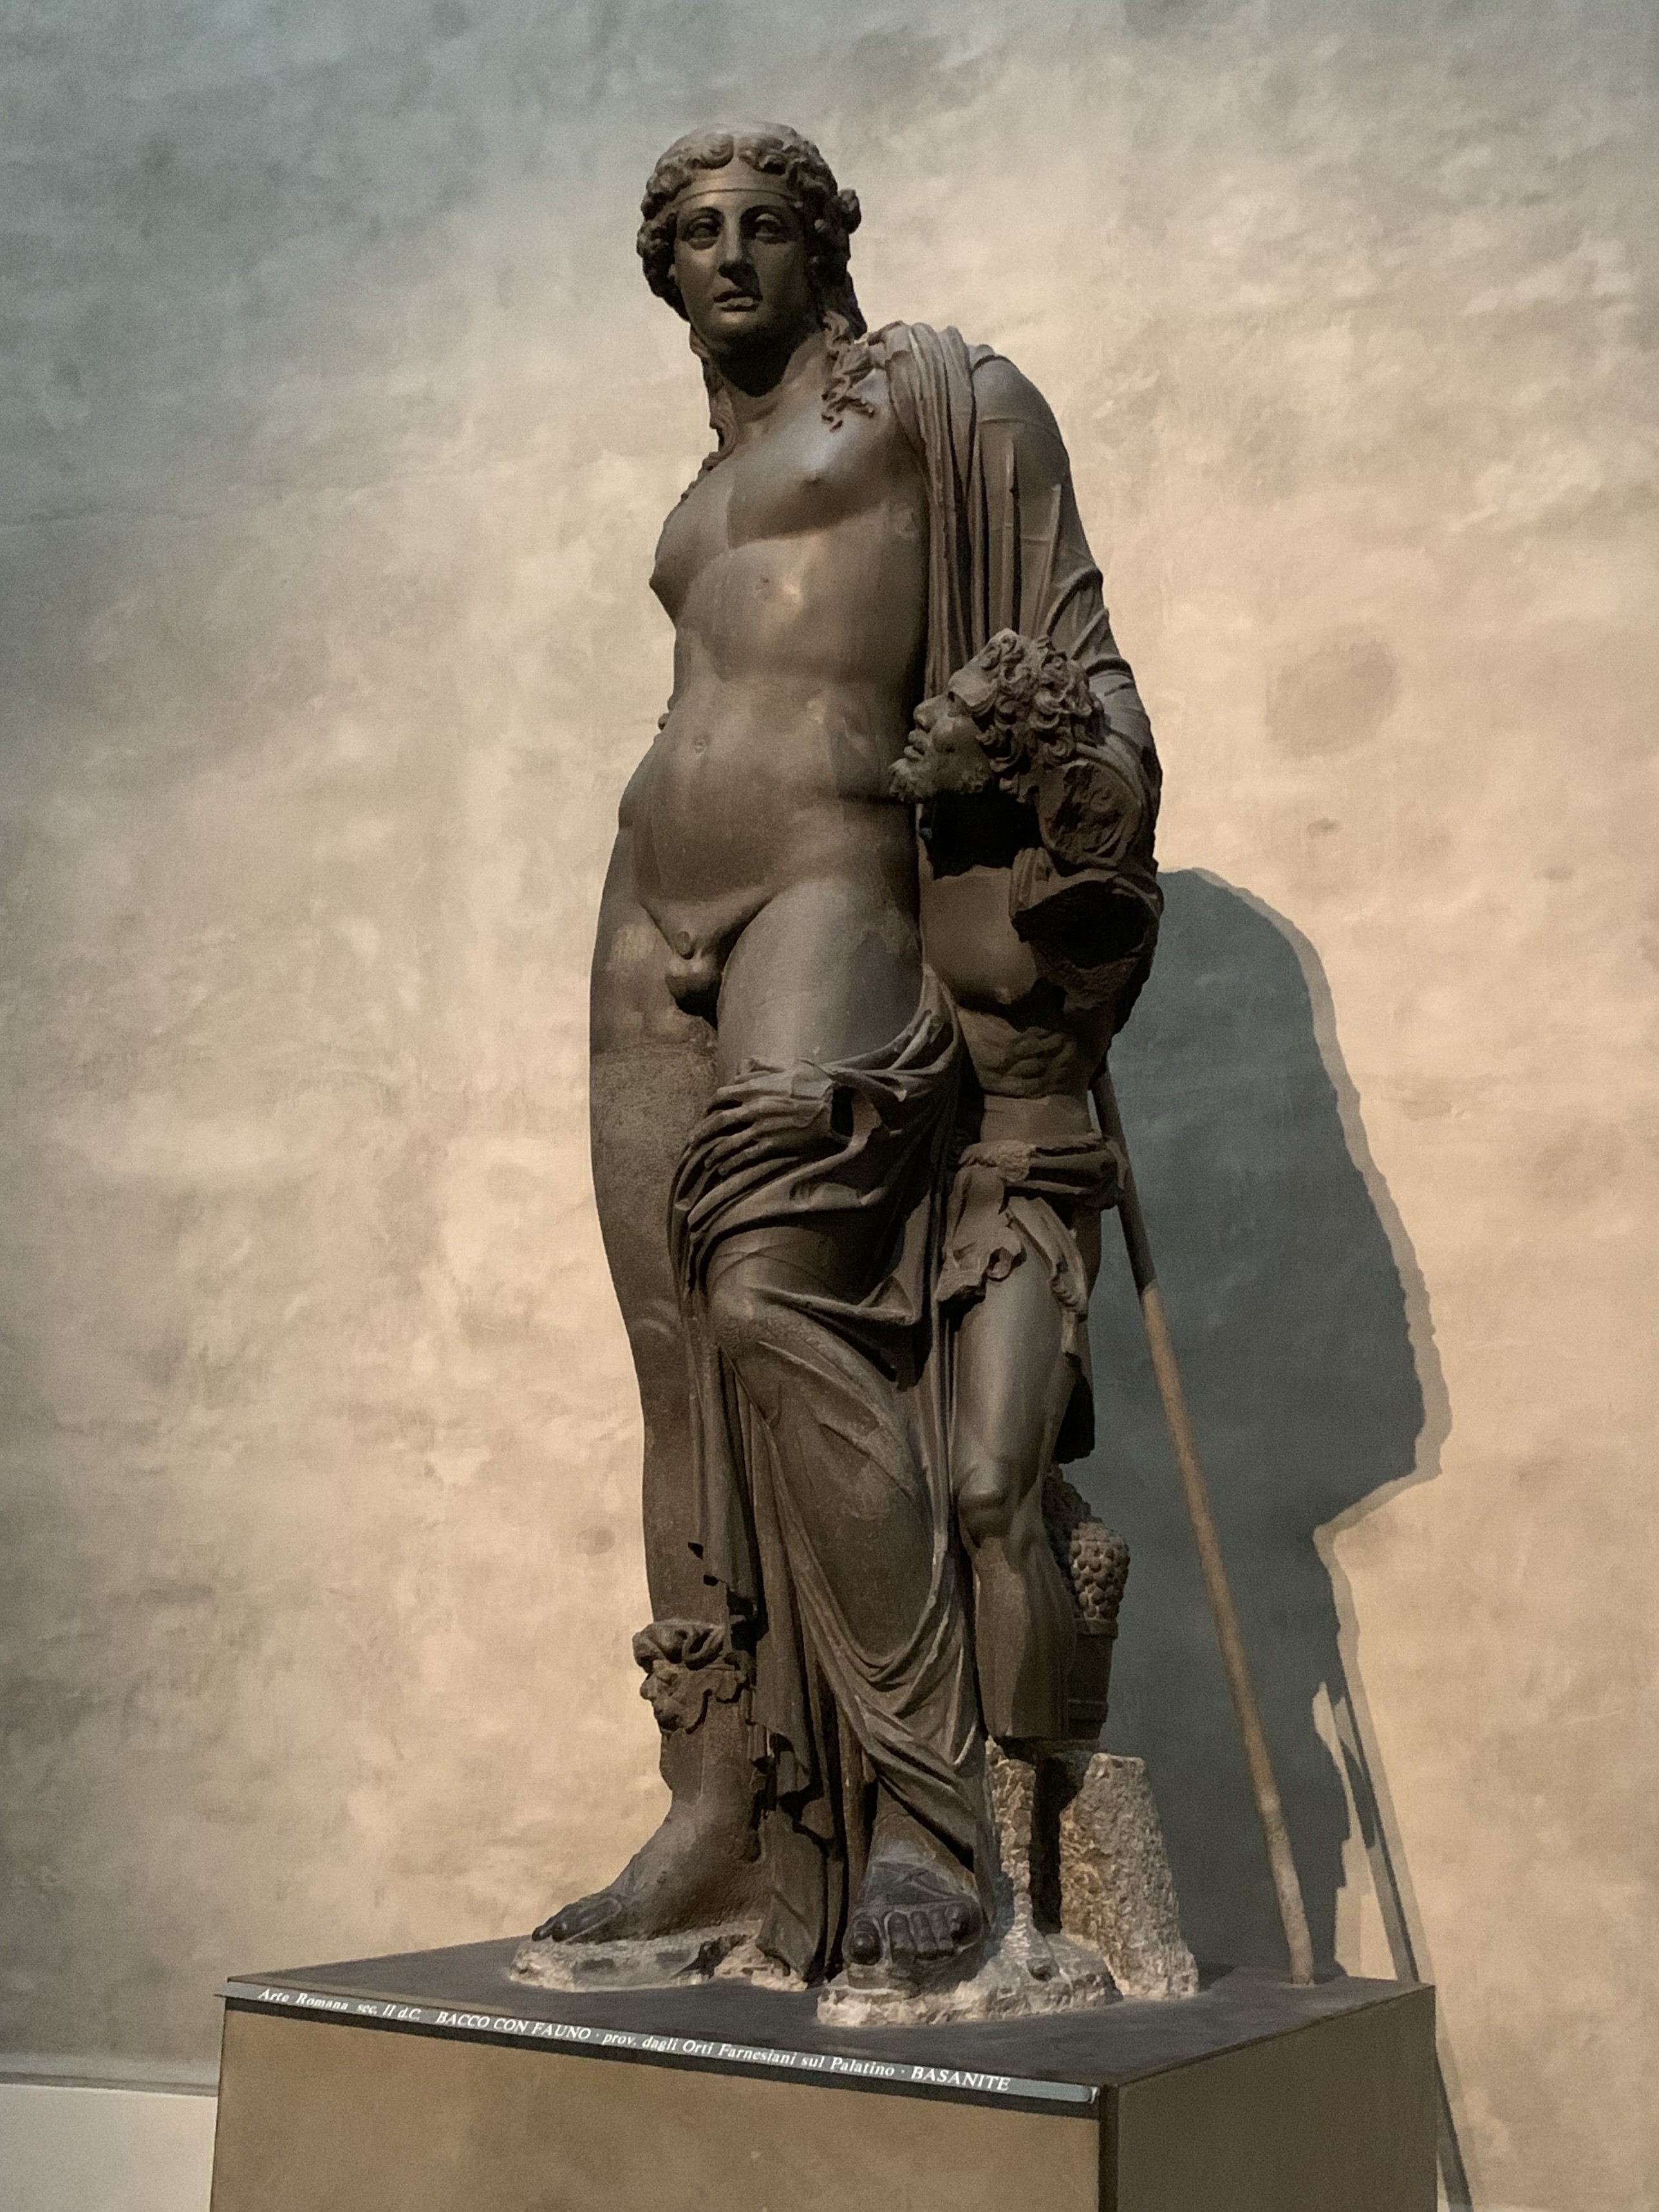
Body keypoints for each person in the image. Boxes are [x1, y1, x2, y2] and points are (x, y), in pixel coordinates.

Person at [529, 125, 1160, 1996]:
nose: (728, 255)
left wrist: (1067, 783)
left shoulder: (947, 397)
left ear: (823, 246)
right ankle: (718, 1802)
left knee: (774, 1295)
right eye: (693, 234)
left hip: (833, 873)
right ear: (664, 271)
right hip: (652, 896)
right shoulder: (704, 484)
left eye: (764, 226)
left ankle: (922, 1820)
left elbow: (1083, 669)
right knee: (678, 1366)